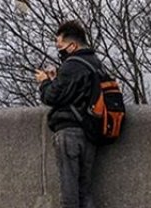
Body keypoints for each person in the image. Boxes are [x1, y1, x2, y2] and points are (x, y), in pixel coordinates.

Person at [37, 20, 106, 208]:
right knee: (85, 190)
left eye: (60, 46)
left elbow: (52, 97)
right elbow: (75, 92)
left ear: (72, 45)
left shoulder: (71, 65)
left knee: (69, 190)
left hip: (69, 132)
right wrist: (56, 80)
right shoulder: (95, 63)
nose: (59, 51)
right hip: (90, 131)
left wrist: (44, 82)